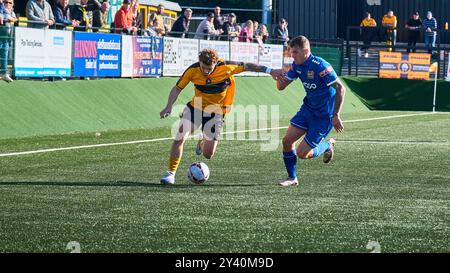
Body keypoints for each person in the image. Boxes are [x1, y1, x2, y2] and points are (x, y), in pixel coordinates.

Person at [159, 48, 279, 184]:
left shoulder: (226, 67)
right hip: (195, 107)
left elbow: (248, 66)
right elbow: (177, 88)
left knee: (208, 154)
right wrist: (168, 106)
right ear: (199, 62)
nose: (205, 71)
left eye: (209, 68)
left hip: (216, 112)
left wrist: (270, 71)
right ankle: (171, 174)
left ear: (215, 63)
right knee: (179, 138)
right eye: (203, 67)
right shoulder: (192, 70)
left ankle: (202, 140)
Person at [271, 35, 346, 186]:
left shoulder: (320, 65)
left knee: (302, 153)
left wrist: (336, 115)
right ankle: (292, 178)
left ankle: (328, 145)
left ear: (305, 51)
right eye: (291, 52)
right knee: (287, 141)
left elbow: (340, 88)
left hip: (324, 116)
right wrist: (281, 77)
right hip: (308, 109)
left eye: (295, 52)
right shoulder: (297, 65)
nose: (292, 55)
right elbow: (281, 87)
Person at [0, 0, 16, 82]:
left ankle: (4, 73)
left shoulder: (12, 12)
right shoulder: (1, 9)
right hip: (0, 35)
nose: (8, 4)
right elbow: (2, 17)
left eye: (10, 3)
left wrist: (11, 18)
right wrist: (9, 18)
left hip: (7, 37)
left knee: (4, 56)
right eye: (6, 2)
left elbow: (15, 19)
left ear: (13, 4)